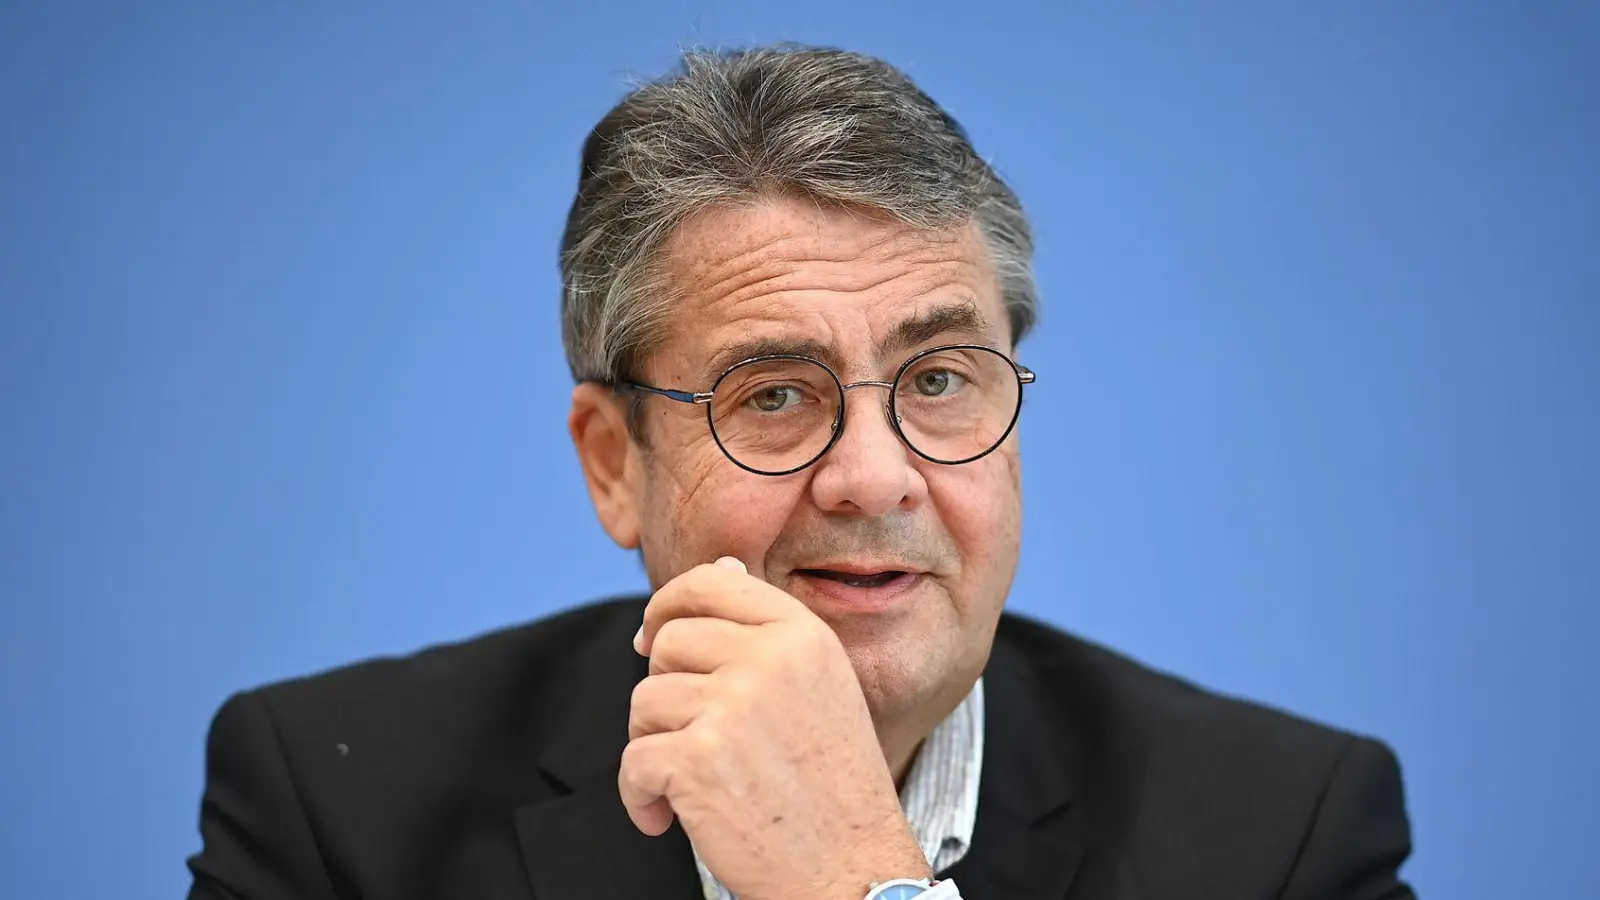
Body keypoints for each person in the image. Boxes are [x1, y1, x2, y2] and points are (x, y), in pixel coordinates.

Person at [186, 45, 1416, 900]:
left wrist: (855, 887)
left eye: (939, 381)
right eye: (773, 398)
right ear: (616, 464)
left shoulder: (1280, 834)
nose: (874, 478)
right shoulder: (337, 807)